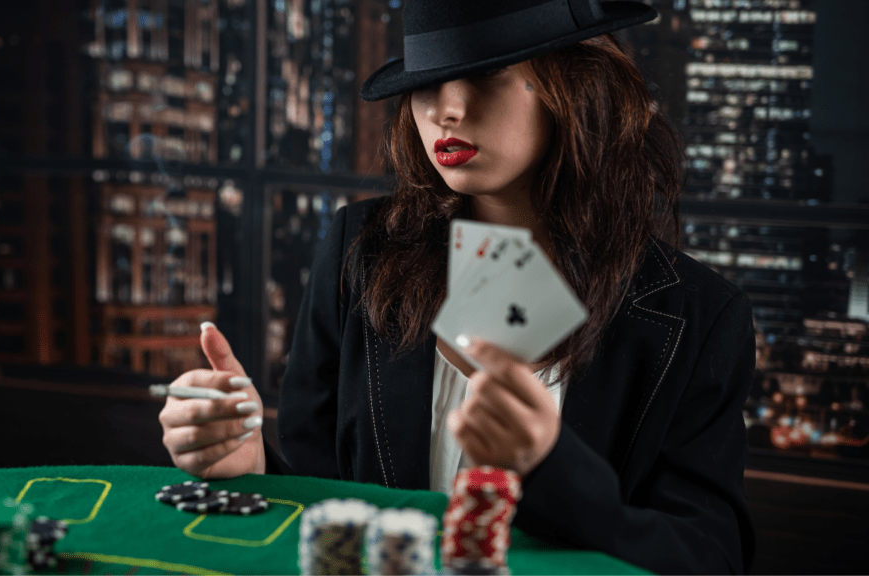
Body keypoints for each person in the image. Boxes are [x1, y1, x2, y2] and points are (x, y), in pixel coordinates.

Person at [159, 0, 757, 573]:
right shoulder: (359, 250)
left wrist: (555, 471)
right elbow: (322, 493)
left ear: (576, 87)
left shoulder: (699, 314)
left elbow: (708, 557)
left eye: (486, 73)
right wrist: (252, 464)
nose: (446, 109)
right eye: (426, 82)